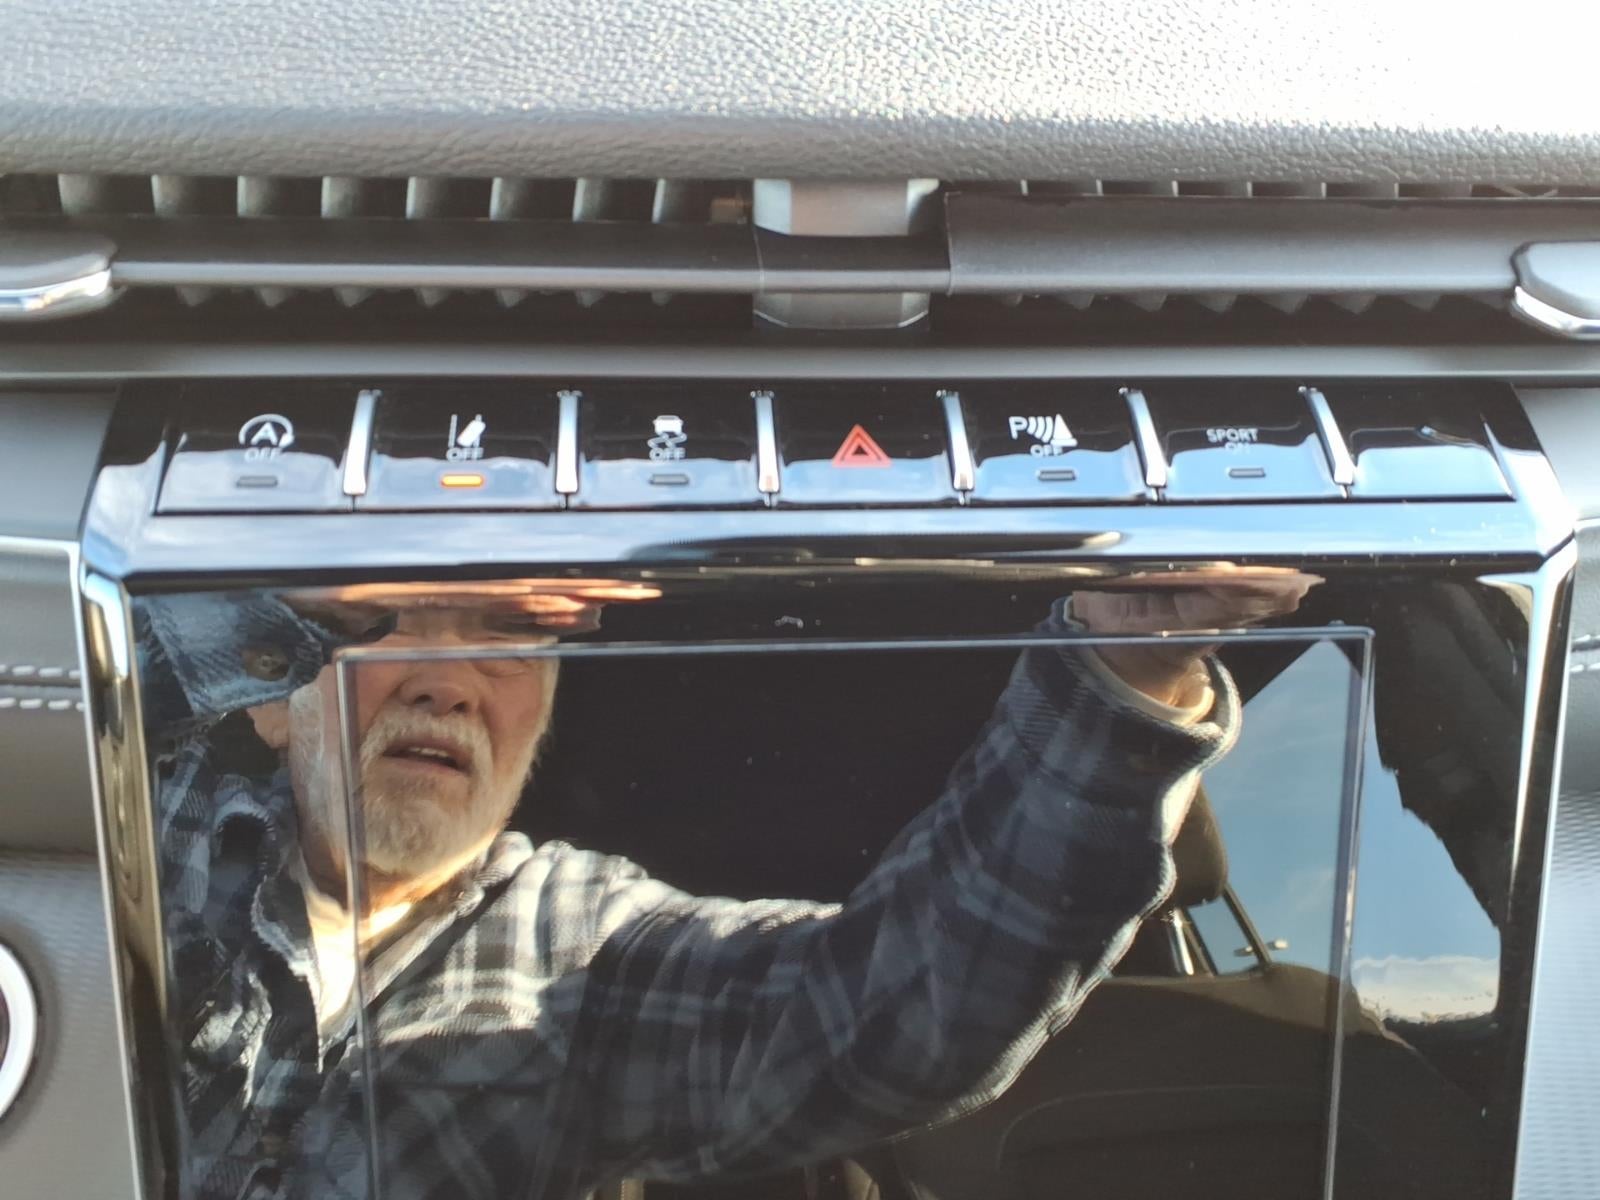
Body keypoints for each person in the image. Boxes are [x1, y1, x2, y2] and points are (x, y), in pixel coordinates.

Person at [135, 570, 1315, 1200]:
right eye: (389, 623)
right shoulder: (131, 820)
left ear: (535, 730)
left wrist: (1123, 659)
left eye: (508, 636)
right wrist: (264, 607)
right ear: (269, 702)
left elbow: (895, 1013)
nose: (451, 682)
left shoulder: (577, 946)